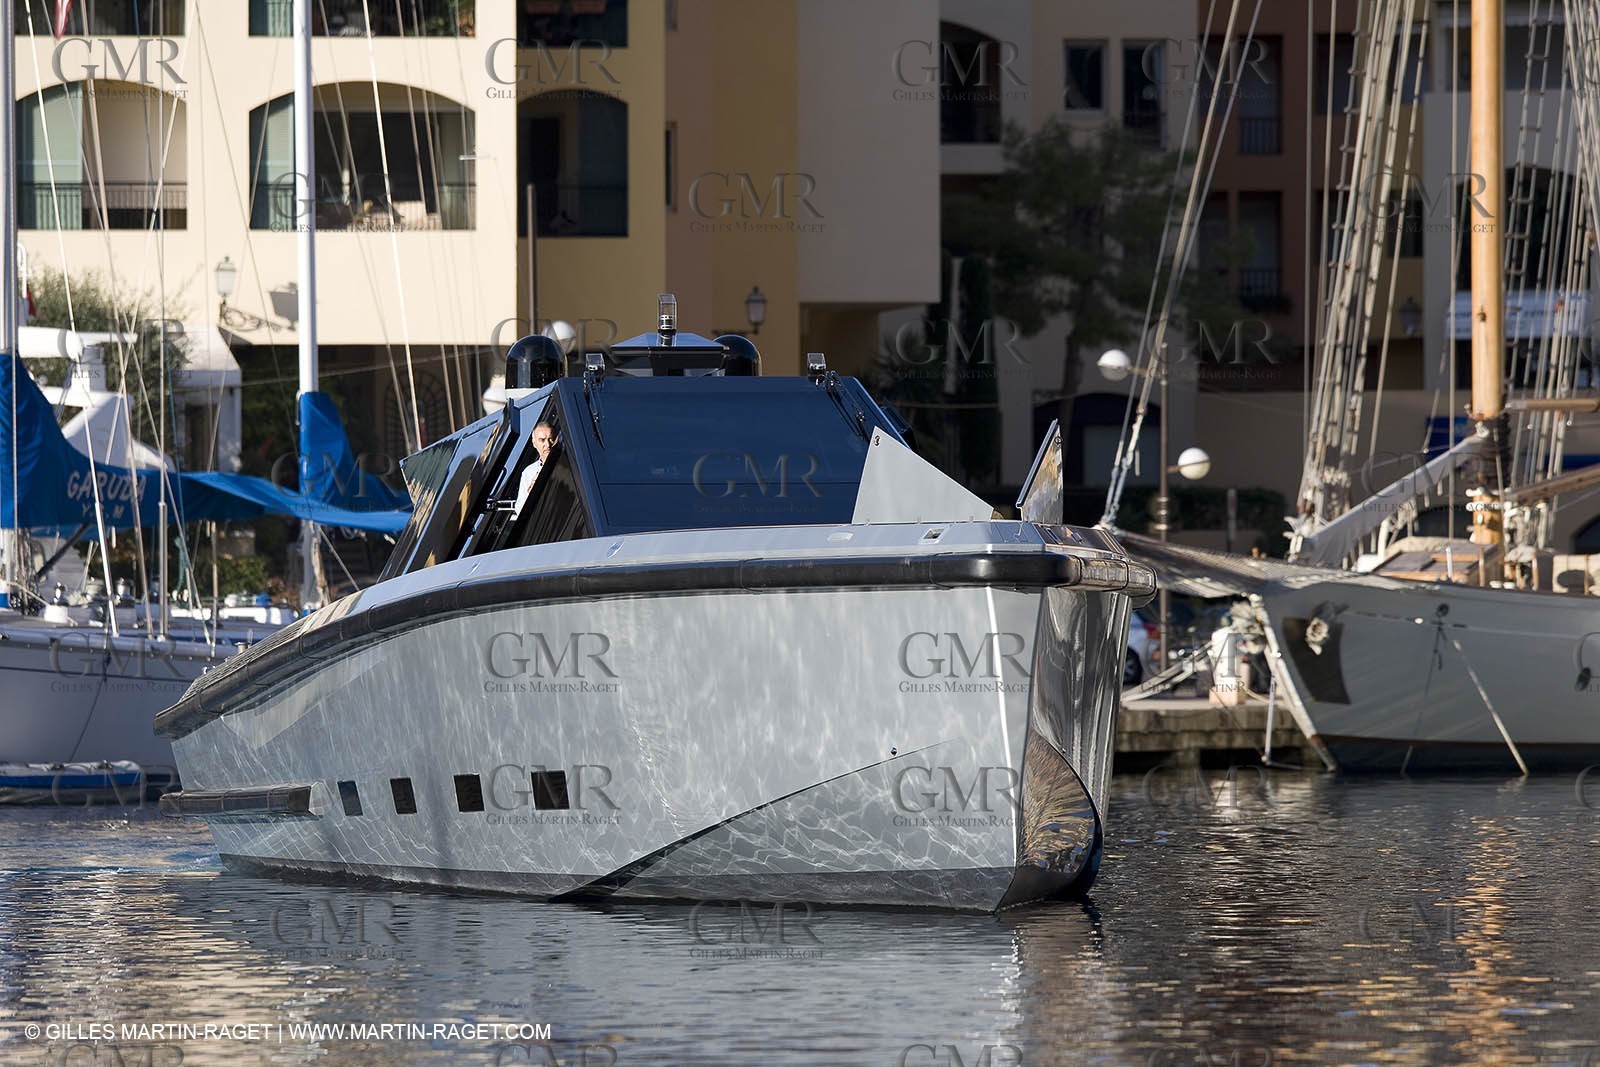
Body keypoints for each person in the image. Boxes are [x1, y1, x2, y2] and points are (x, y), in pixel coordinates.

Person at [511, 421, 557, 519]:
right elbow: (519, 510)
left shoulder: (566, 464)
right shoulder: (528, 472)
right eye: (542, 440)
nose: (547, 444)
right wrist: (530, 493)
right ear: (534, 443)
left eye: (550, 439)